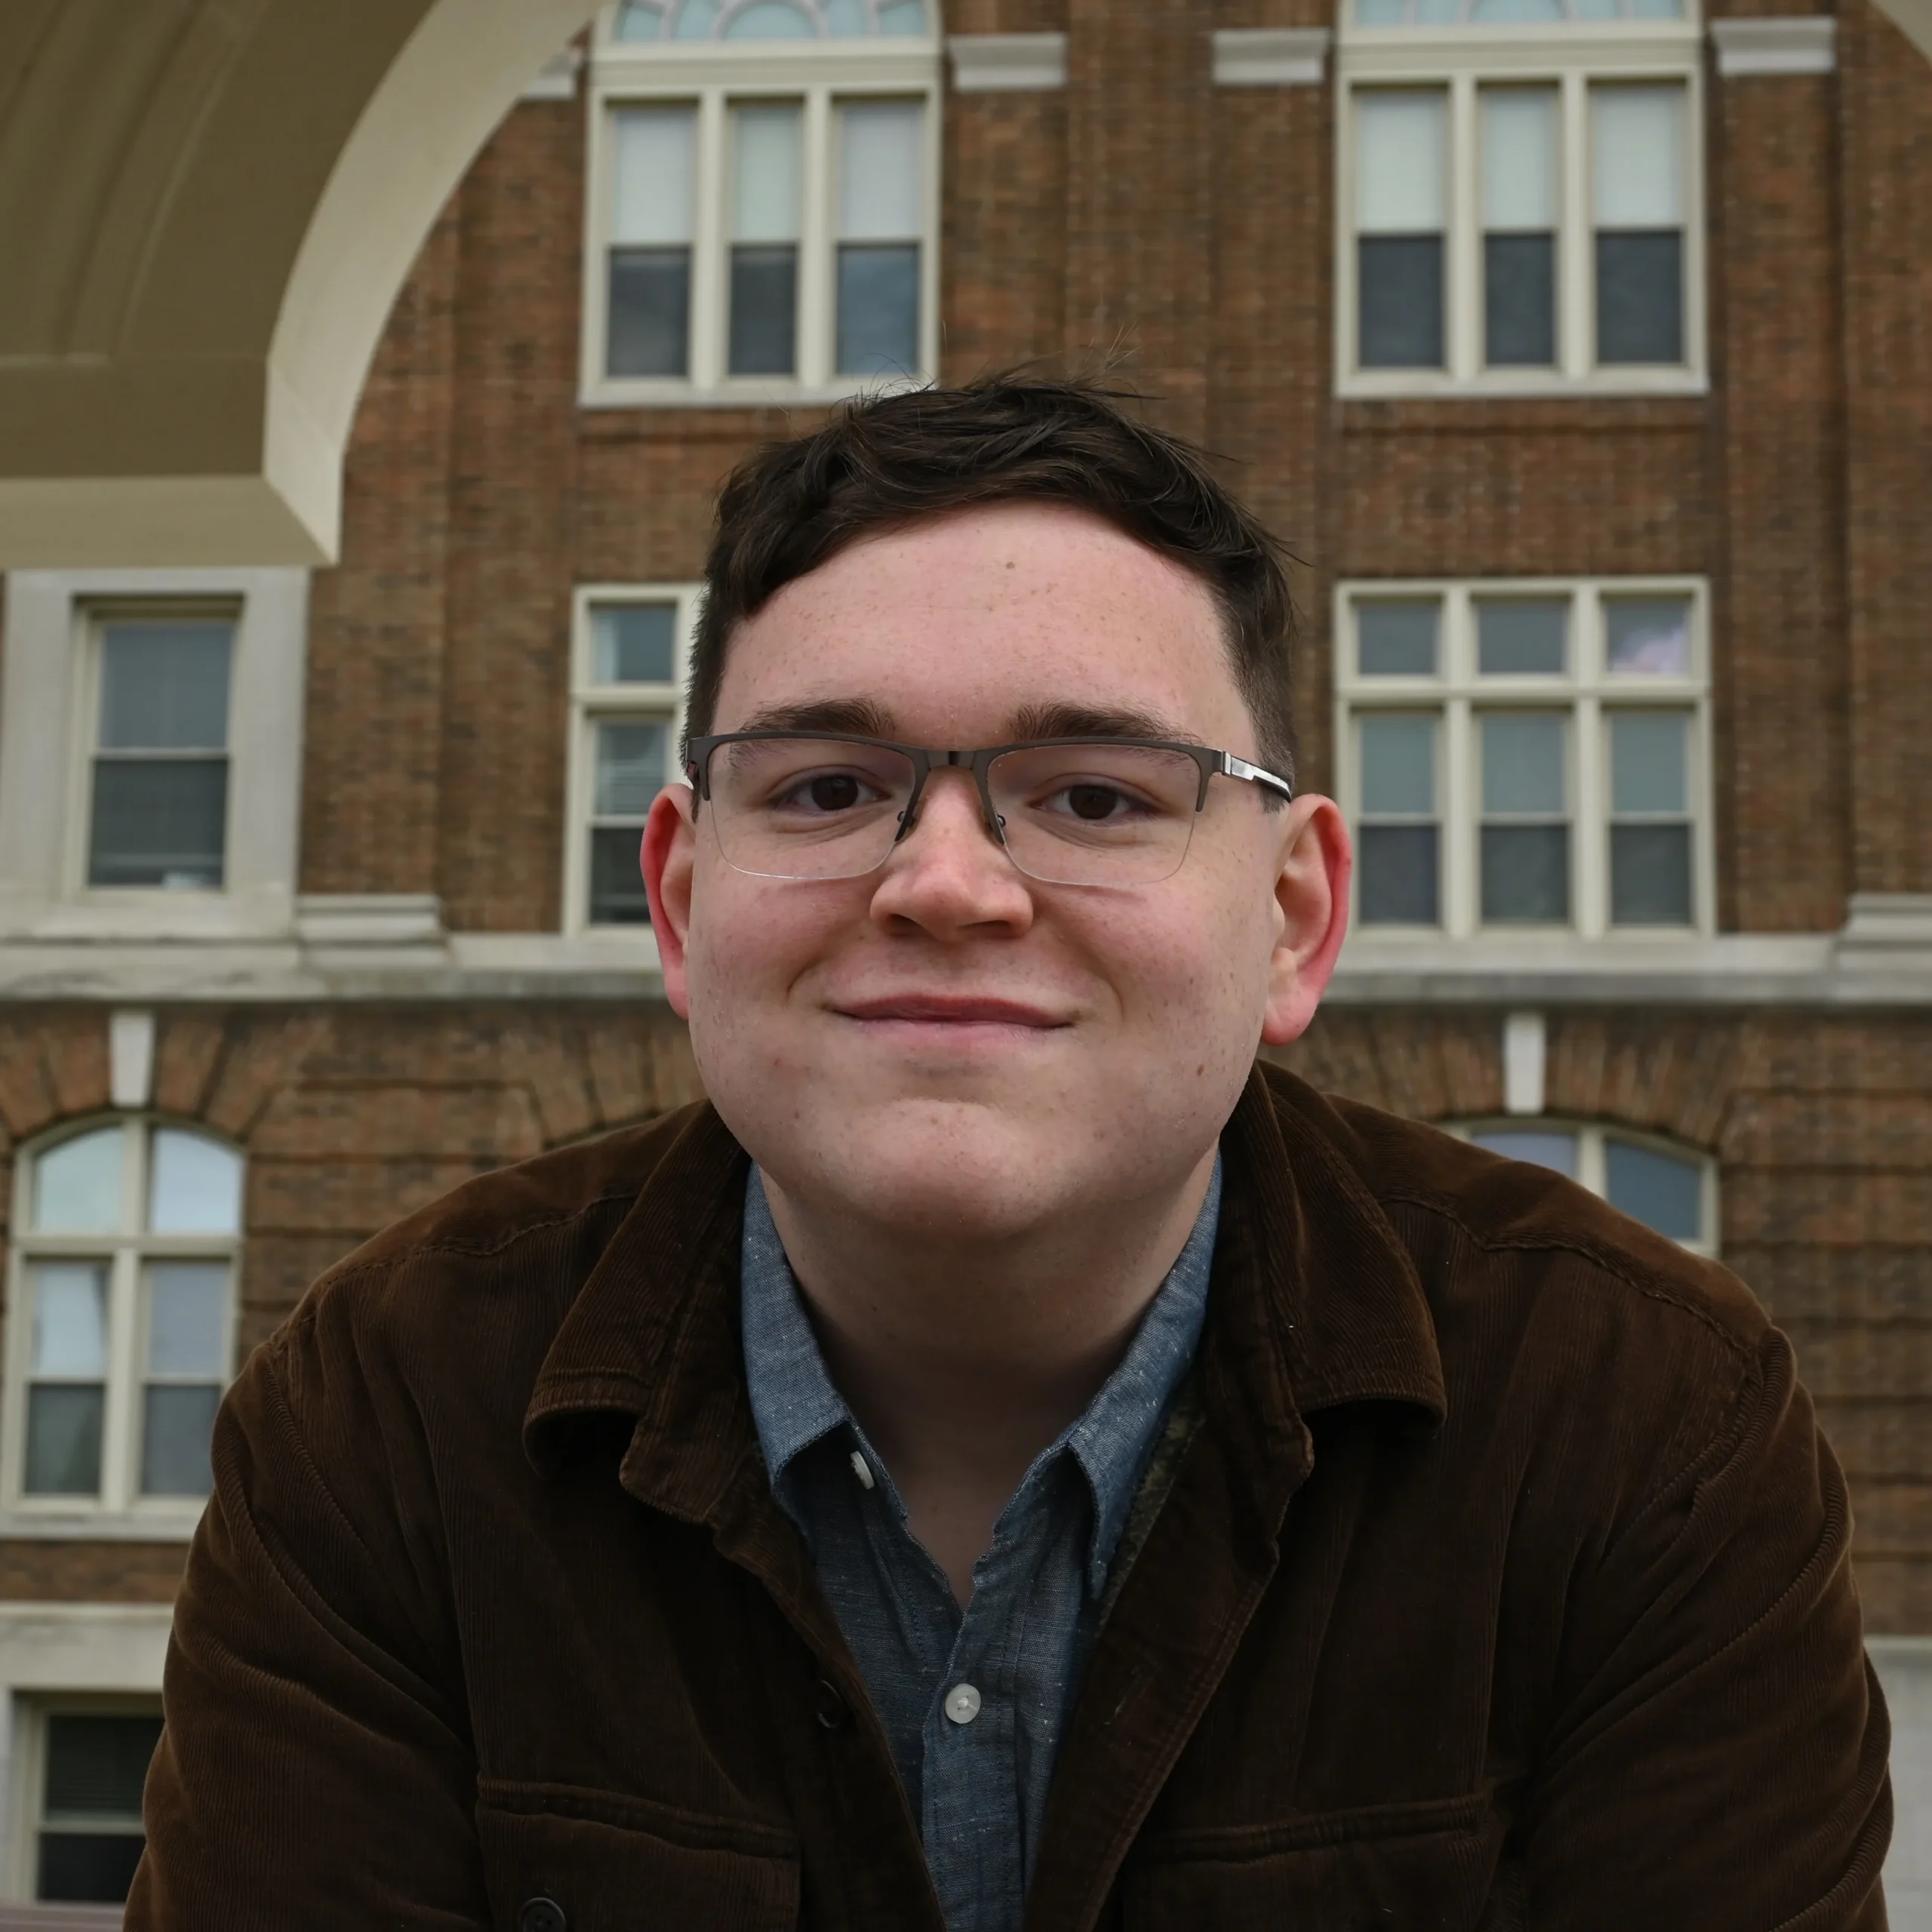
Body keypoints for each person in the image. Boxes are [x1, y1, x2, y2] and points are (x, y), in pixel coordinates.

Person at [131, 377, 1889, 1930]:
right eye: (825, 785)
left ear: (1291, 915)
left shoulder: (1634, 1419)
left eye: (1095, 793)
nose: (945, 880)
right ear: (676, 899)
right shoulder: (389, 1413)